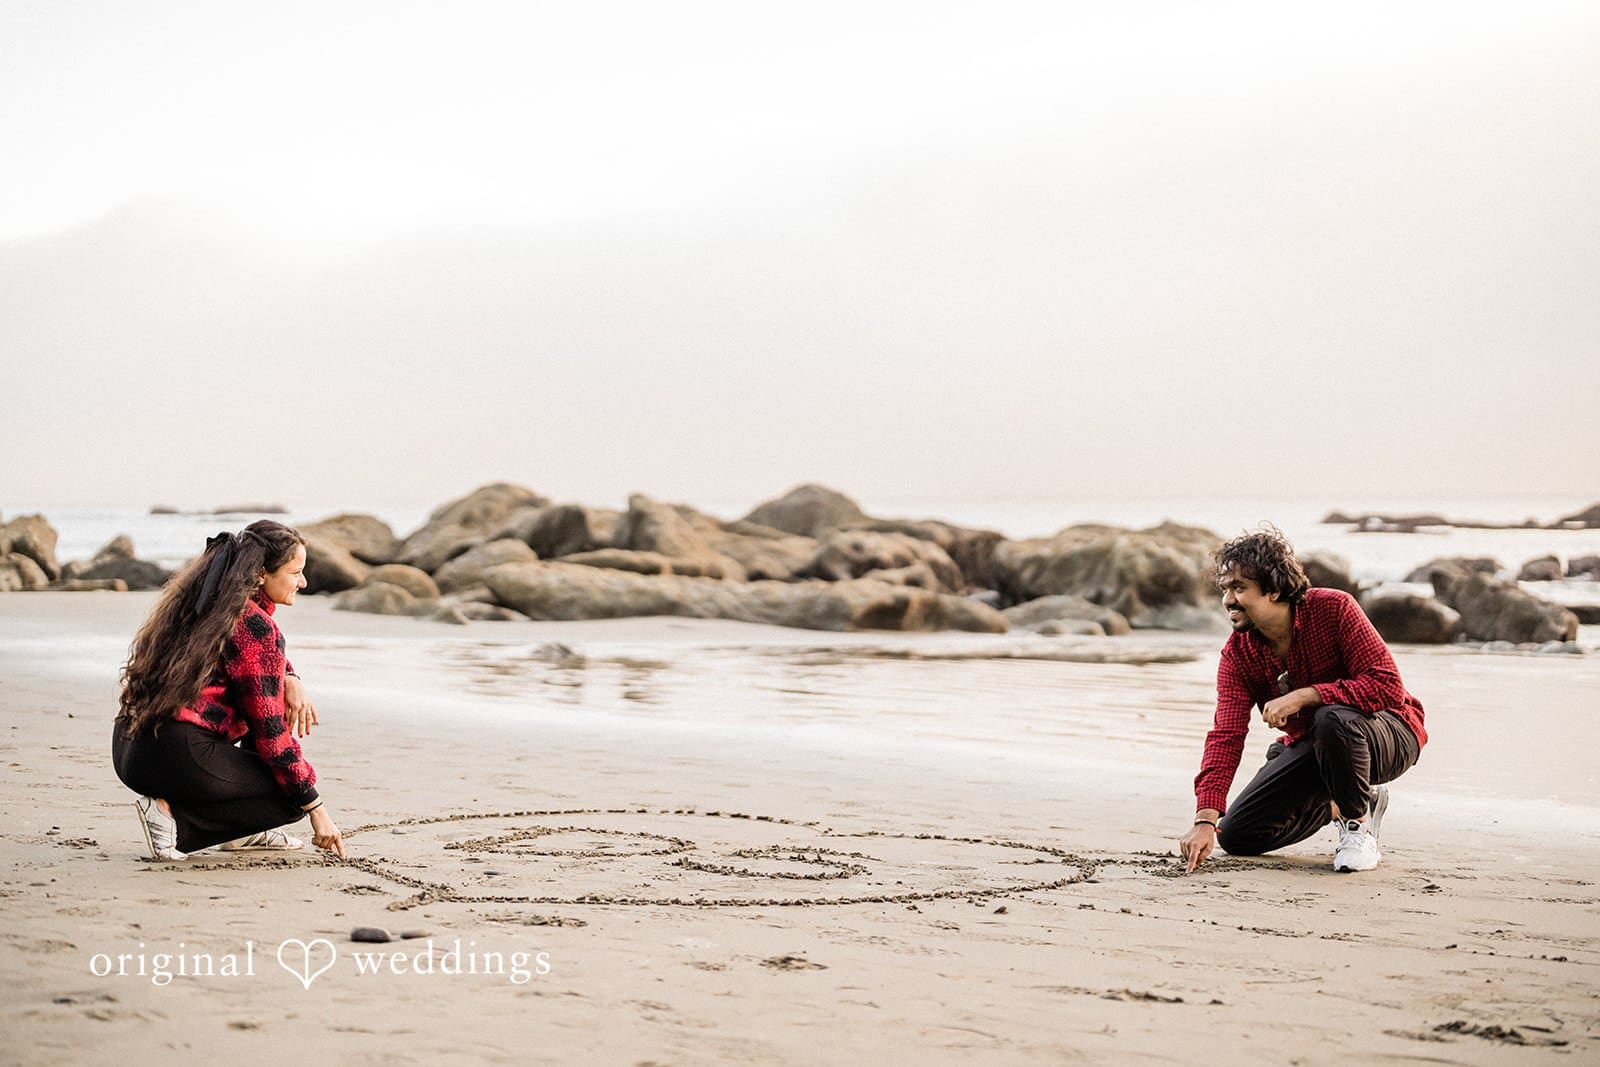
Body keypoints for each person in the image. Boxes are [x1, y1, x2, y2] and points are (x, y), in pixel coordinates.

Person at [1178, 527, 1426, 874]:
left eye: (1239, 588)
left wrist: (1306, 695)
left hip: (1389, 735)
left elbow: (1387, 687)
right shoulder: (1238, 655)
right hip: (1317, 745)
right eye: (1225, 589)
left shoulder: (1334, 608)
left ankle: (1357, 827)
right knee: (1238, 836)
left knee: (1331, 717)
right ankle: (1343, 803)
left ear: (1274, 589)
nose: (1228, 600)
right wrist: (1205, 817)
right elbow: (1226, 734)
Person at [112, 520, 347, 861]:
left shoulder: (209, 602)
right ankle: (171, 816)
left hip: (130, 748)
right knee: (290, 796)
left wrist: (289, 677)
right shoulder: (254, 626)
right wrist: (316, 809)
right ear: (262, 574)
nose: (303, 582)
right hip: (174, 755)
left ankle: (242, 834)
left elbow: (255, 660)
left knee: (272, 732)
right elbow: (271, 736)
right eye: (296, 572)